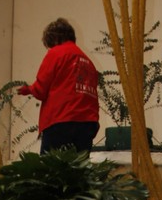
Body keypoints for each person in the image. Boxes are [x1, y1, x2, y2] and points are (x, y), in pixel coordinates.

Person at [18, 18, 100, 155]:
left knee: (52, 167)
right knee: (78, 167)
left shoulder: (56, 53)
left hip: (61, 121)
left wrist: (29, 89)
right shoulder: (88, 62)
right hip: (87, 124)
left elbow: (41, 90)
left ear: (55, 39)